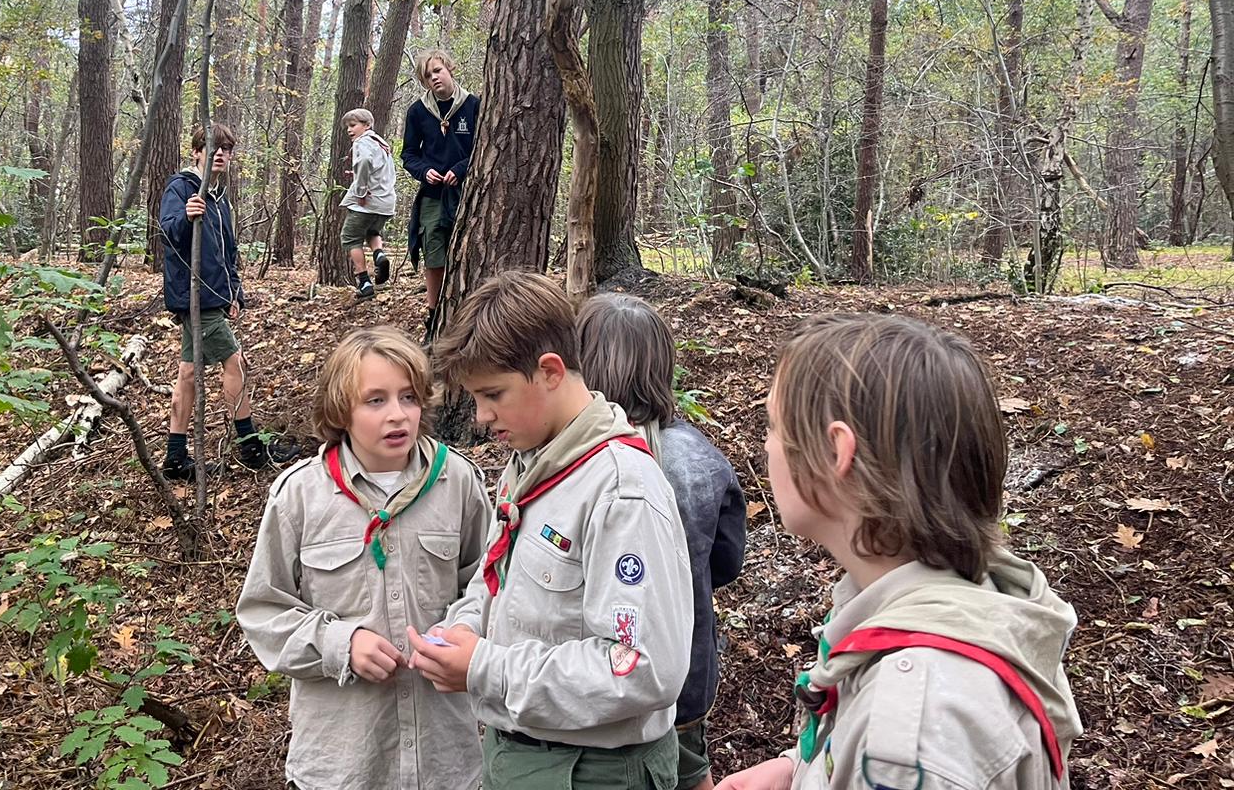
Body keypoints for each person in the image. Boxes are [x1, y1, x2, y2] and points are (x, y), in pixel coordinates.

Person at [716, 314, 1083, 790]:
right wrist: (800, 770)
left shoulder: (915, 732)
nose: (766, 446)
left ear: (835, 453)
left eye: (773, 425)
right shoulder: (962, 601)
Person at [407, 271, 694, 790]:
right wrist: (465, 628)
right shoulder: (531, 463)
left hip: (593, 771)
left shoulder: (620, 490)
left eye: (493, 394)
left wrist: (485, 668)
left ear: (550, 371)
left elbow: (643, 665)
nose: (481, 416)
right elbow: (497, 577)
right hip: (522, 750)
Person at [237, 326, 490, 790]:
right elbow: (262, 611)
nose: (398, 415)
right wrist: (340, 644)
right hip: (342, 764)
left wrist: (464, 629)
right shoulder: (301, 496)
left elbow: (491, 586)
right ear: (341, 410)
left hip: (446, 761)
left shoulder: (458, 483)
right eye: (376, 401)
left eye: (409, 397)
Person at [577, 294, 747, 790]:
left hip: (593, 681)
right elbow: (727, 563)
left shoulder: (570, 461)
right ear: (662, 365)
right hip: (684, 675)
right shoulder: (702, 459)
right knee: (690, 768)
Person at [158, 123, 293, 477]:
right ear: (197, 151)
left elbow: (228, 250)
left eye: (226, 149)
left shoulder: (220, 200)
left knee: (187, 374)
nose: (220, 153)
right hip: (193, 297)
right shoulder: (182, 187)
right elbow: (168, 234)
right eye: (212, 147)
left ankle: (174, 457)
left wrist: (234, 291)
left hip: (214, 296)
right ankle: (249, 446)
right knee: (236, 364)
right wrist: (187, 217)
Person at [401, 49, 479, 333]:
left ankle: (469, 315)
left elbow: (483, 147)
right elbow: (409, 154)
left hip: (468, 193)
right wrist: (424, 171)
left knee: (469, 253)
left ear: (449, 69)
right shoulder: (418, 112)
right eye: (427, 75)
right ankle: (433, 318)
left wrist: (460, 170)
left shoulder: (472, 105)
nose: (434, 78)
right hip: (433, 196)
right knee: (434, 257)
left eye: (437, 71)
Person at [338, 107, 397, 300]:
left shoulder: (362, 143)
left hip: (369, 201)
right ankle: (379, 255)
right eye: (347, 126)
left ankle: (364, 283)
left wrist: (361, 190)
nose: (349, 130)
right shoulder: (382, 144)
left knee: (350, 238)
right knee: (372, 231)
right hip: (386, 202)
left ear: (367, 125)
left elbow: (364, 161)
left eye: (353, 125)